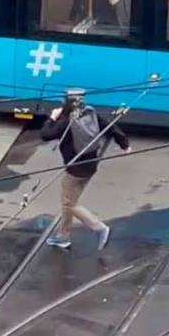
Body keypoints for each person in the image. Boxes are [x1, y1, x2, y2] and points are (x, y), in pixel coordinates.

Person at [41, 89, 130, 251]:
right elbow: (111, 128)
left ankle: (99, 228)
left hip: (74, 171)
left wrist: (52, 118)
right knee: (68, 201)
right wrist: (124, 144)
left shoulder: (66, 123)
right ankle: (63, 237)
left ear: (66, 103)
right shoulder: (91, 114)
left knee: (69, 204)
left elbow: (46, 134)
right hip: (90, 166)